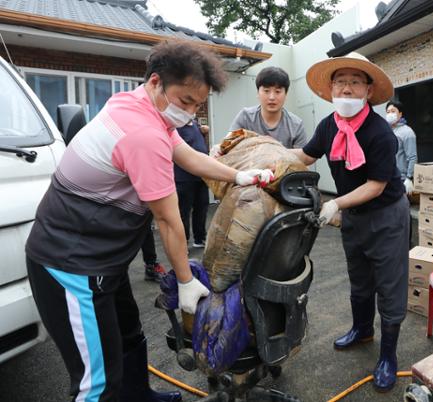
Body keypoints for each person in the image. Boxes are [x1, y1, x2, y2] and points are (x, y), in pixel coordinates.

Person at [24, 40, 273, 402]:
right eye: (184, 101)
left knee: (129, 334)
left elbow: (185, 152)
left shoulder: (137, 103)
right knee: (96, 384)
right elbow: (169, 221)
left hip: (103, 261)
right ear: (155, 82)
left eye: (197, 104)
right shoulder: (142, 134)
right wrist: (186, 283)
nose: (190, 112)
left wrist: (235, 177)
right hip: (71, 266)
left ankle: (139, 396)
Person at [292, 52, 409, 392]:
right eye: (340, 81)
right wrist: (271, 160)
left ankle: (388, 355)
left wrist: (336, 204)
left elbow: (377, 185)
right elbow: (304, 156)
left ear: (368, 92)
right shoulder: (329, 125)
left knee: (389, 284)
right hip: (354, 217)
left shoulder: (380, 133)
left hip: (386, 215)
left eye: (355, 82)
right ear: (330, 89)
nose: (346, 88)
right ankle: (363, 330)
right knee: (359, 279)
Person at [229, 66, 307, 148]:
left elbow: (302, 159)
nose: (272, 97)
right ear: (258, 93)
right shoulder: (245, 117)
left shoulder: (296, 125)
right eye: (266, 91)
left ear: (286, 94)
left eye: (277, 91)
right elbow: (228, 146)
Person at [176, 119, 210, 248]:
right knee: (183, 212)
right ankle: (183, 244)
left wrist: (203, 132)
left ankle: (199, 239)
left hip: (201, 177)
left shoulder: (195, 125)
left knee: (202, 208)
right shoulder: (177, 127)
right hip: (184, 178)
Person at [386, 100, 417, 194]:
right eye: (388, 112)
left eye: (393, 111)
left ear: (400, 114)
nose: (390, 114)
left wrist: (409, 178)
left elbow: (412, 157)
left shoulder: (407, 132)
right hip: (387, 177)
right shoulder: (386, 130)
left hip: (401, 179)